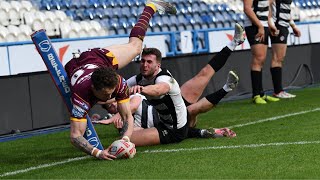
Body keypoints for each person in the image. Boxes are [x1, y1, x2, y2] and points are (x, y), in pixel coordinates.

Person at [97, 23, 245, 147]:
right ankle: (226, 89)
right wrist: (97, 98)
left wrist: (141, 90)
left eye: (149, 62)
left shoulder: (164, 79)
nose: (145, 65)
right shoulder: (139, 78)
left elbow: (159, 89)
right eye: (142, 61)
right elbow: (117, 92)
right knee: (194, 107)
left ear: (158, 65)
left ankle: (233, 44)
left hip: (173, 126)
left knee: (125, 139)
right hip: (168, 116)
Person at [64, 0, 177, 160]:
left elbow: (126, 117)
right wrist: (97, 152)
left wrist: (125, 139)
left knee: (136, 47)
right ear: (94, 89)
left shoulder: (119, 83)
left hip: (97, 59)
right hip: (76, 68)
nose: (110, 97)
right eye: (105, 95)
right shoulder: (81, 96)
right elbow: (75, 136)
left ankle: (151, 6)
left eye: (112, 93)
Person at [93, 70, 239, 140]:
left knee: (193, 109)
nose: (113, 108)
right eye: (109, 109)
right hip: (161, 124)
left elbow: (134, 103)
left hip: (165, 112)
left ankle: (226, 88)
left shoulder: (131, 98)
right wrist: (122, 127)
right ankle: (205, 132)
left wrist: (115, 117)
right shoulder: (120, 118)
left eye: (112, 105)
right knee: (183, 126)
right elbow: (140, 130)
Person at [243, 0, 281, 104]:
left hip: (263, 25)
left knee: (262, 59)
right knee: (258, 58)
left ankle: (261, 94)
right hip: (254, 26)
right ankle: (256, 95)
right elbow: (247, 8)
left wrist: (270, 25)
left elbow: (267, 10)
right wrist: (259, 26)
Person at [268, 0, 301, 98]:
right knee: (277, 58)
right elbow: (267, 6)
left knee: (280, 58)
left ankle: (279, 90)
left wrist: (293, 26)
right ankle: (278, 91)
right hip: (277, 25)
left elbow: (286, 10)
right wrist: (271, 24)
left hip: (284, 25)